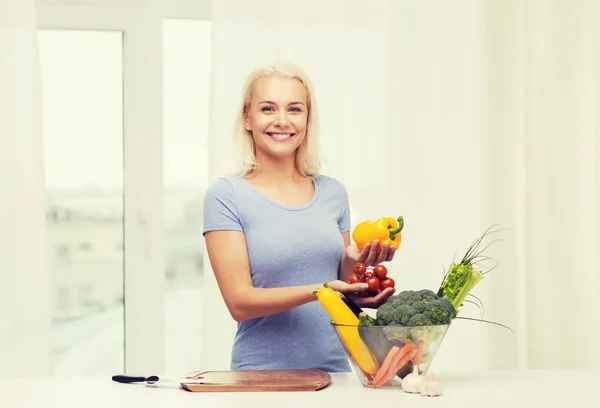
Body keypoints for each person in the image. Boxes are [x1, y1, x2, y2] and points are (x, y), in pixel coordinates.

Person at [202, 61, 396, 373]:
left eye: (294, 109)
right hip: (263, 376)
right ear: (247, 118)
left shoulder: (333, 192)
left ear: (307, 118)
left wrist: (356, 266)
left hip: (337, 372)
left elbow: (341, 293)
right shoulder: (227, 195)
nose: (282, 121)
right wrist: (320, 289)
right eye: (268, 109)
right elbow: (239, 303)